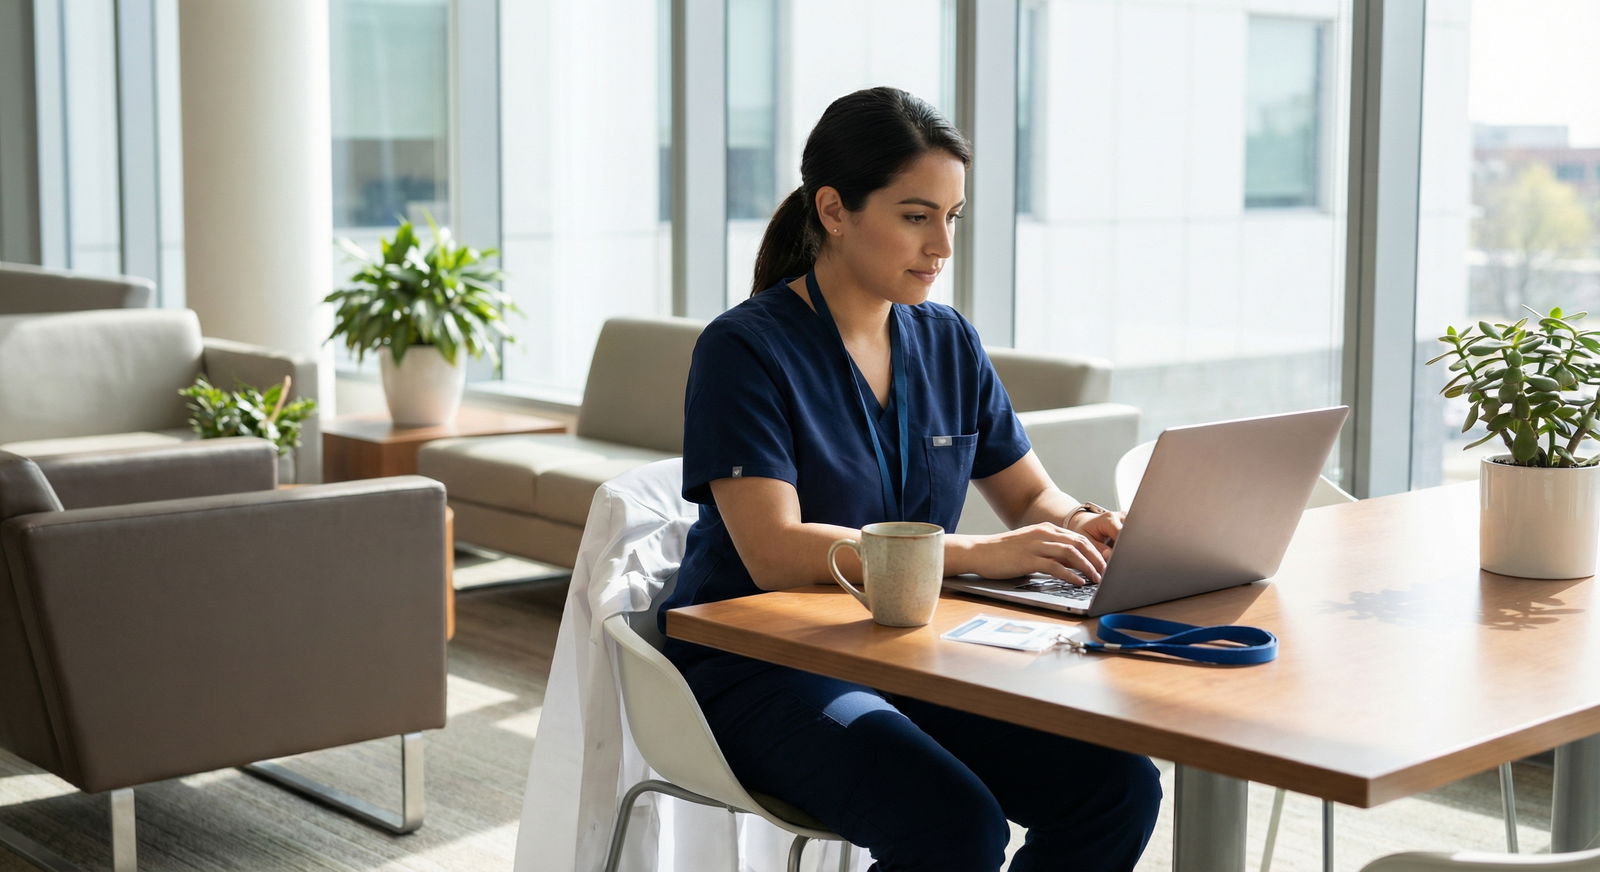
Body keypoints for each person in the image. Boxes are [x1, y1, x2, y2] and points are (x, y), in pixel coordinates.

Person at [660, 86, 1162, 871]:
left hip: (912, 655)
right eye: (917, 216)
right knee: (952, 824)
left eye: (952, 217)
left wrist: (1079, 522)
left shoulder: (947, 340)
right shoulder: (744, 350)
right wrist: (981, 554)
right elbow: (774, 550)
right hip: (762, 666)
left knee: (1116, 786)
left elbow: (1030, 495)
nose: (943, 246)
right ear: (834, 210)